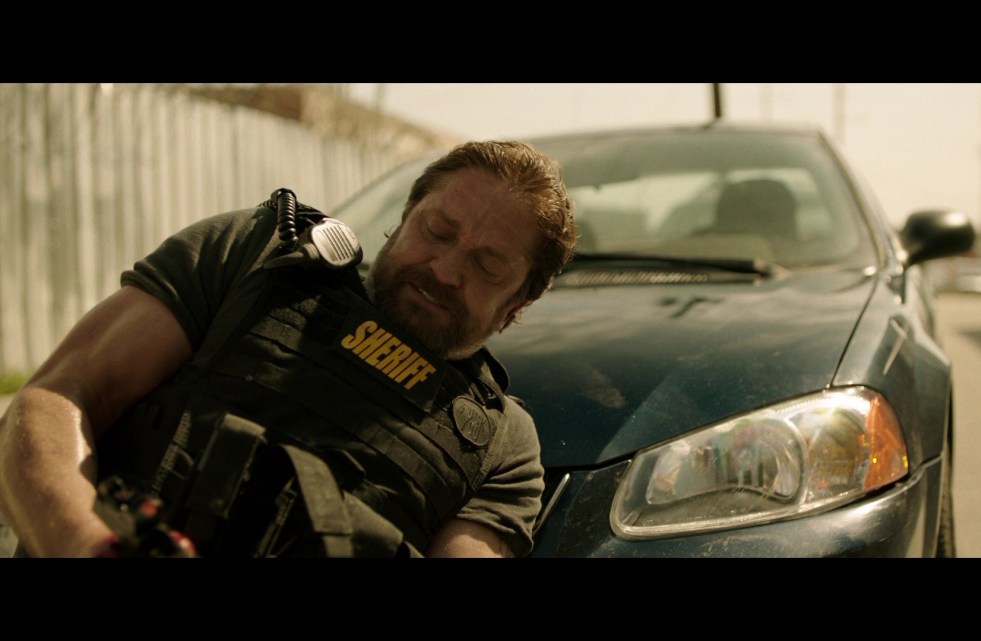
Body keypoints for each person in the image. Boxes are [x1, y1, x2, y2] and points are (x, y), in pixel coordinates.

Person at [0, 140, 577, 558]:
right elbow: (55, 397)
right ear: (404, 219)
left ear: (516, 305)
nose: (445, 270)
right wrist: (87, 544)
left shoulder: (501, 446)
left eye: (487, 265)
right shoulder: (256, 258)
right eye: (438, 231)